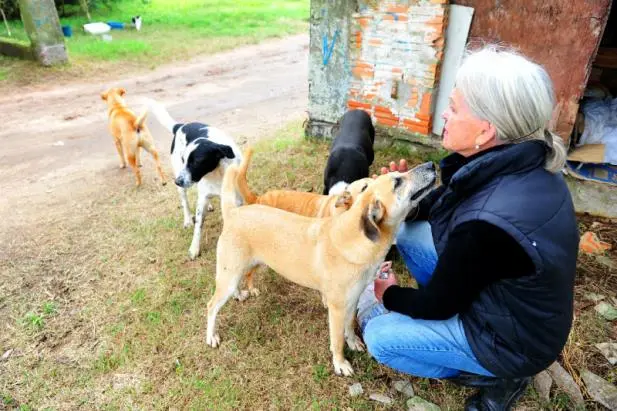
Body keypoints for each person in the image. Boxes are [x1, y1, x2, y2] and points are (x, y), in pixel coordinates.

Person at [356, 46, 580, 411]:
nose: (444, 113)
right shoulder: (521, 162)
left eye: (455, 107)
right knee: (410, 232)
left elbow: (437, 304)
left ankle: (496, 377)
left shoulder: (487, 225)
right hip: (512, 307)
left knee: (380, 337)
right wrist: (403, 198)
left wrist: (387, 294)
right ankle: (459, 336)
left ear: (485, 130)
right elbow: (442, 207)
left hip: (511, 343)